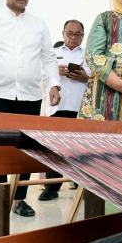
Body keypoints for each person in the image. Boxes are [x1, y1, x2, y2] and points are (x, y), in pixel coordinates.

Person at [0, 0, 61, 217]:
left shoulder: (39, 24)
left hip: (30, 96)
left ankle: (19, 199)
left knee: (26, 148)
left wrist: (54, 84)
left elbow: (48, 57)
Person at [39, 20, 89, 201]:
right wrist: (55, 74)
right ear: (63, 33)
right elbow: (40, 77)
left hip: (80, 109)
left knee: (80, 150)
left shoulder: (89, 55)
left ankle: (81, 184)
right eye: (70, 33)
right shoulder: (52, 54)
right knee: (54, 150)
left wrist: (85, 77)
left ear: (83, 36)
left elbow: (95, 80)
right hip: (57, 107)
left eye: (78, 34)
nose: (73, 37)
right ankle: (51, 188)